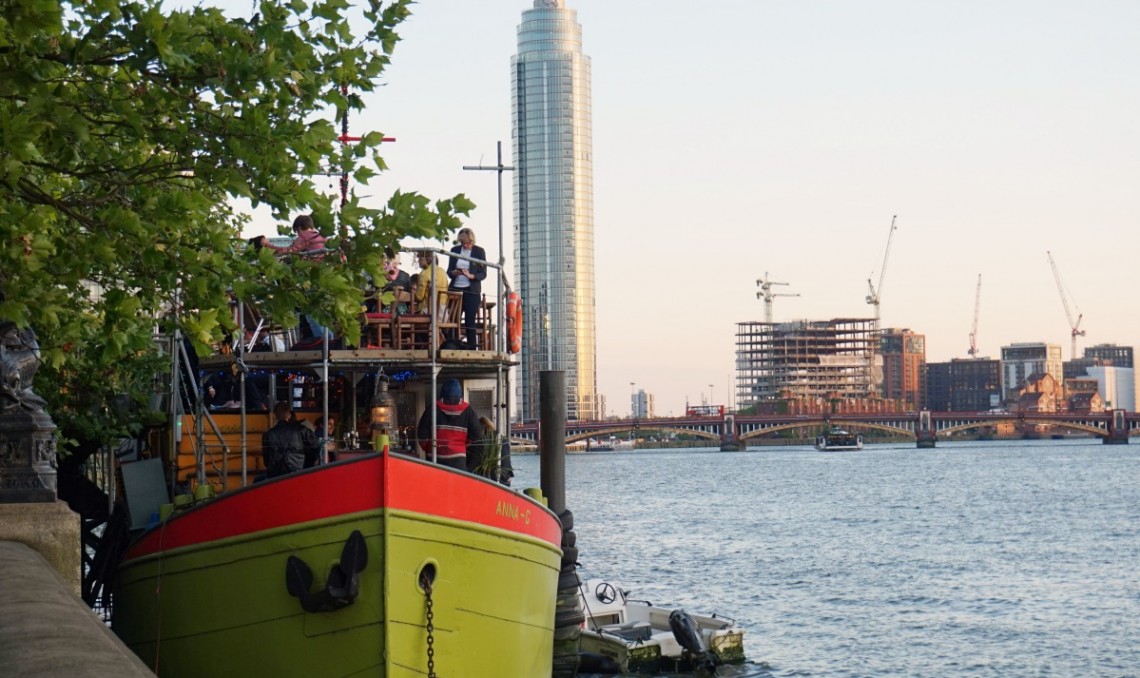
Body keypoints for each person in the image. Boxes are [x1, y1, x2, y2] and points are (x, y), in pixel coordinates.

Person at [416, 379, 482, 471]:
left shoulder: (432, 409)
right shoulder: (468, 410)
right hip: (458, 458)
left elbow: (422, 433)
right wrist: (463, 444)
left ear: (442, 393)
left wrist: (427, 447)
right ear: (460, 395)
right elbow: (477, 433)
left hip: (435, 456)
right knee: (457, 480)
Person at [446, 227, 487, 348]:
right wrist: (454, 273)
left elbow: (483, 273)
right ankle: (452, 345)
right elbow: (449, 270)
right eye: (462, 243)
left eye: (467, 243)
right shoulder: (454, 250)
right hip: (456, 289)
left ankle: (471, 346)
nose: (465, 245)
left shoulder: (479, 251)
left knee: (470, 320)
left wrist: (471, 276)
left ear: (472, 241)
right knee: (454, 319)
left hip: (471, 290)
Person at [262, 401, 321, 478]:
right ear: (289, 415)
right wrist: (306, 466)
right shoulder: (302, 430)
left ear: (274, 415)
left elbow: (266, 460)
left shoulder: (268, 434)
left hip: (275, 476)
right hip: (298, 472)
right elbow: (315, 449)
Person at [414, 250, 449, 314]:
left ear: (428, 260)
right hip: (443, 312)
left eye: (421, 259)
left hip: (428, 311)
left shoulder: (424, 273)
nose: (418, 261)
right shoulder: (443, 271)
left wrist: (412, 293)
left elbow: (419, 297)